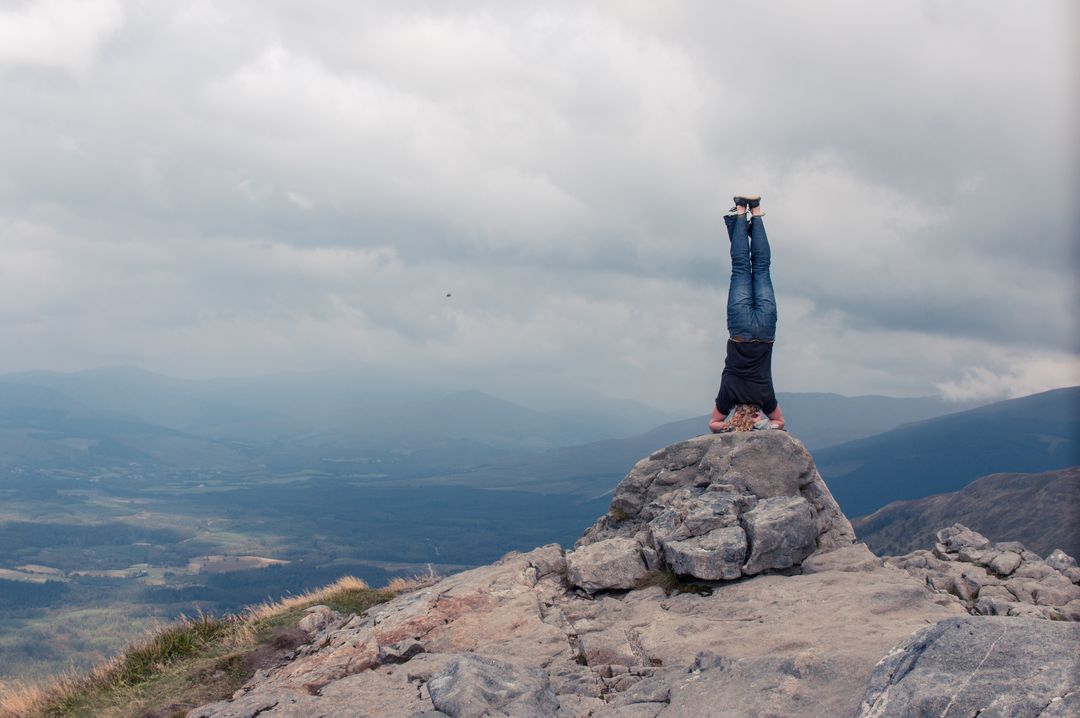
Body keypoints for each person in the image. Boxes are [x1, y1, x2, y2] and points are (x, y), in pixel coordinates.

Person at [709, 195, 786, 433]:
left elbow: (780, 424)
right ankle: (742, 209)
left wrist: (764, 425)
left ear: (756, 414)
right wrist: (727, 428)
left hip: (765, 331)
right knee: (741, 266)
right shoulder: (727, 396)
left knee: (762, 268)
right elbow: (713, 424)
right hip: (740, 331)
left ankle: (757, 210)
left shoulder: (766, 398)